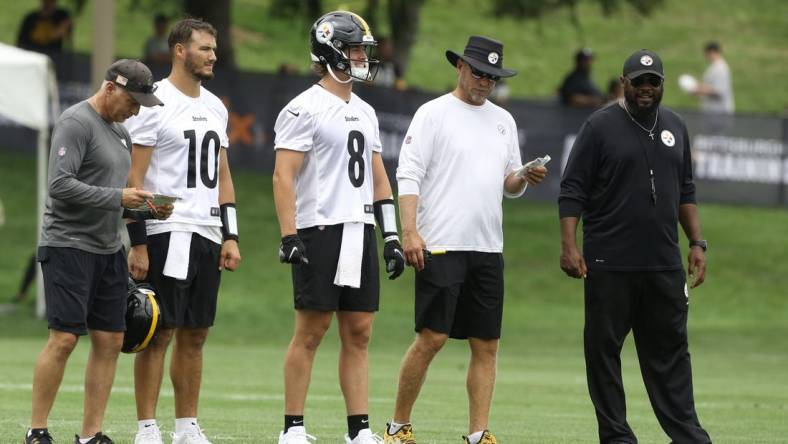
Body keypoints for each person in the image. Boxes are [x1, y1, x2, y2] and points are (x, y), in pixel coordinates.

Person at [384, 36, 547, 444]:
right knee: (432, 338)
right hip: (440, 242)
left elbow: (508, 184)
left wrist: (524, 176)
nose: (485, 81)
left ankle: (478, 432)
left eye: (493, 76)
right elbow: (408, 175)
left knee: (487, 344)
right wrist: (410, 231)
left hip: (487, 246)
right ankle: (398, 426)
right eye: (479, 72)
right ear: (459, 67)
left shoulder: (502, 121)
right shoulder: (433, 114)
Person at [559, 49, 712, 444]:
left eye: (653, 82)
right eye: (638, 81)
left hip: (663, 265)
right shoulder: (599, 126)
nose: (646, 89)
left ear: (661, 84)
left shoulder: (676, 126)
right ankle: (617, 438)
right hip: (609, 263)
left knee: (671, 355)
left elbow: (687, 190)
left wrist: (697, 242)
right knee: (604, 353)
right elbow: (572, 190)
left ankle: (689, 437)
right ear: (623, 83)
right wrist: (569, 246)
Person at [272, 10, 405, 444]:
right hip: (320, 227)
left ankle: (359, 430)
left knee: (360, 332)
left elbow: (378, 177)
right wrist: (289, 234)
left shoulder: (366, 112)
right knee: (311, 331)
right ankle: (293, 427)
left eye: (363, 51)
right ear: (331, 52)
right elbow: (283, 176)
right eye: (354, 49)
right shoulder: (303, 108)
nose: (361, 58)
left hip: (359, 229)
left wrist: (390, 235)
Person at [24, 59, 165, 444]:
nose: (136, 110)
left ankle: (90, 434)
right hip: (68, 245)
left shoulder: (121, 132)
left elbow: (113, 196)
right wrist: (118, 196)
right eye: (133, 101)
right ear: (110, 88)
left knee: (110, 340)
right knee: (65, 338)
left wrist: (143, 208)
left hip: (108, 250)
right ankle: (37, 429)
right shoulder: (76, 122)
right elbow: (59, 185)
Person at [123, 18, 242, 444]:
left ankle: (187, 426)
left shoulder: (216, 106)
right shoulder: (154, 102)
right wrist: (138, 243)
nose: (213, 55)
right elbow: (134, 180)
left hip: (208, 231)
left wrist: (231, 234)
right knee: (160, 329)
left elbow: (222, 175)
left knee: (197, 332)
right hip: (167, 230)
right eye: (204, 48)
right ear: (179, 50)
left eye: (214, 49)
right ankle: (147, 427)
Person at [691, 41, 734, 114]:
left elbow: (719, 91)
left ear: (711, 52)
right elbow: (711, 86)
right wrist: (699, 86)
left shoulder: (720, 68)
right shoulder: (715, 67)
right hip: (713, 112)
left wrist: (699, 90)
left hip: (720, 113)